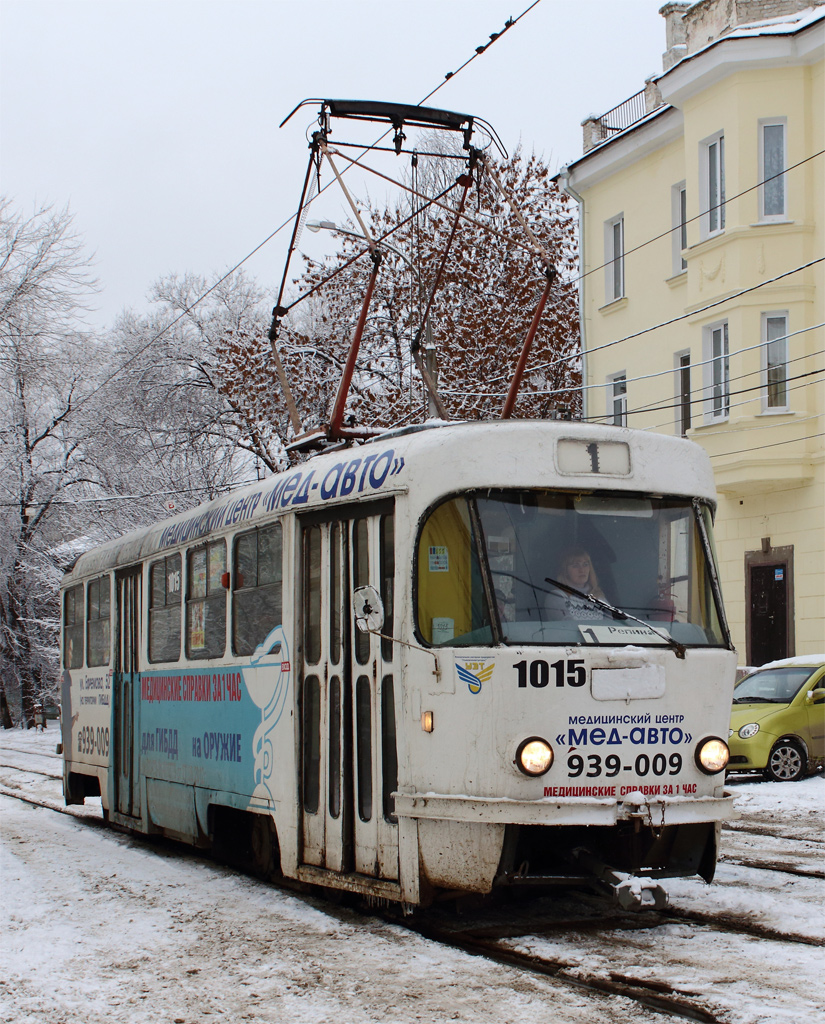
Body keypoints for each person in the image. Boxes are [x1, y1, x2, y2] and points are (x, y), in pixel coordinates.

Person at [546, 548, 606, 621]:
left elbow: (611, 625)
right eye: (575, 566)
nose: (582, 570)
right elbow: (567, 626)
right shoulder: (557, 597)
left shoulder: (598, 596)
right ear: (565, 571)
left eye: (585, 564)